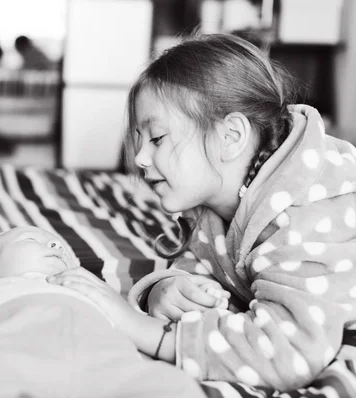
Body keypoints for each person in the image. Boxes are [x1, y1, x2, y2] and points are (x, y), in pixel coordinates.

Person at [48, 33, 356, 392]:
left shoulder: (305, 210)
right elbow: (201, 270)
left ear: (230, 136)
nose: (141, 159)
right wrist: (163, 290)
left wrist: (151, 333)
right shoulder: (215, 200)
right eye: (139, 141)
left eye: (157, 139)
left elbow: (290, 353)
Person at [0, 226, 208, 398]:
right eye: (33, 240)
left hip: (104, 368)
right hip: (11, 365)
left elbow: (133, 332)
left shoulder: (90, 289)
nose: (55, 248)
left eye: (60, 247)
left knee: (174, 386)